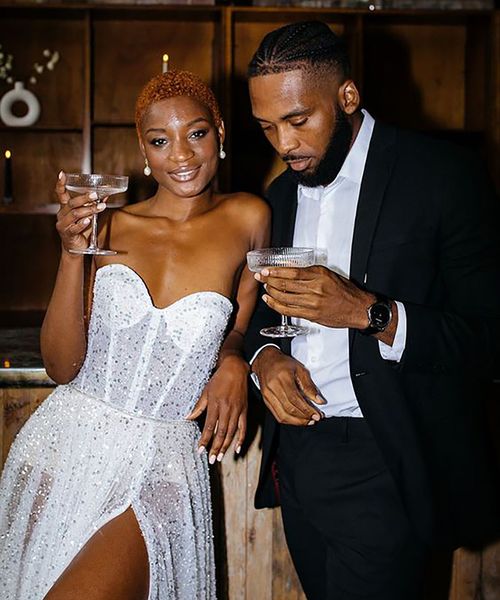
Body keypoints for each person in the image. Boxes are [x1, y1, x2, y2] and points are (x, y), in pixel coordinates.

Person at [244, 20, 500, 600]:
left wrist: (370, 312)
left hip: (388, 456)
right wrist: (264, 361)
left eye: (297, 120)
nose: (284, 145)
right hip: (300, 459)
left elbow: (488, 339)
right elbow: (259, 314)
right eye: (267, 128)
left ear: (347, 96)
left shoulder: (443, 176)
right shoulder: (278, 195)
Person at [0, 70, 269, 600]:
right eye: (160, 141)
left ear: (219, 130)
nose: (182, 155)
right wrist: (71, 251)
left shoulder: (248, 216)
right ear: (142, 150)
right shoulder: (108, 225)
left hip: (164, 460)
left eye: (196, 133)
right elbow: (60, 366)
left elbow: (241, 318)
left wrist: (235, 360)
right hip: (67, 445)